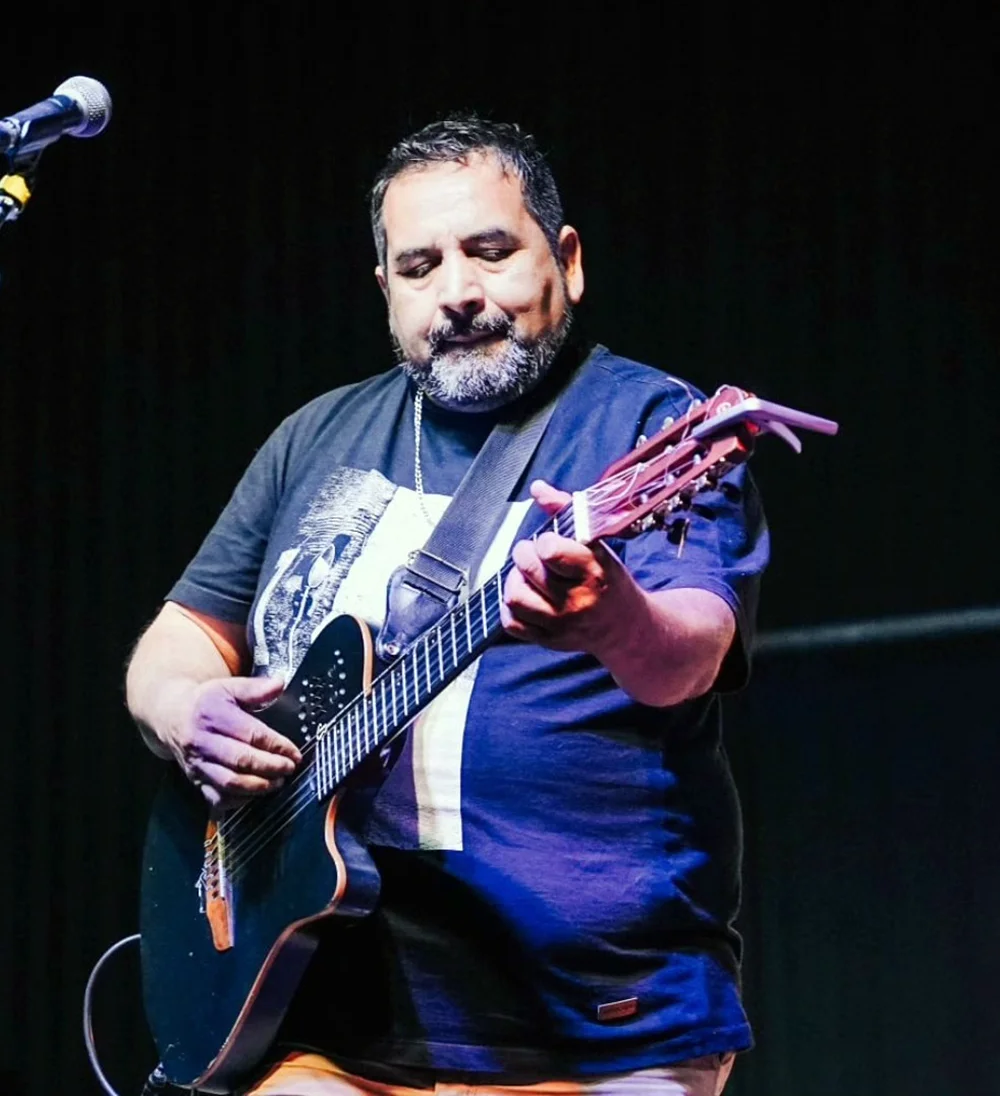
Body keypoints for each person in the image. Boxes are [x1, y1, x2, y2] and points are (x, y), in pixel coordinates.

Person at [126, 116, 768, 1096]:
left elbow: (690, 651)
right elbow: (175, 642)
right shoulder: (315, 436)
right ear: (385, 290)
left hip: (587, 1020)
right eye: (420, 264)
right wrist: (183, 712)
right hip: (315, 1003)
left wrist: (610, 618)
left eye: (490, 250)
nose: (458, 290)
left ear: (569, 261)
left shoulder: (648, 425)